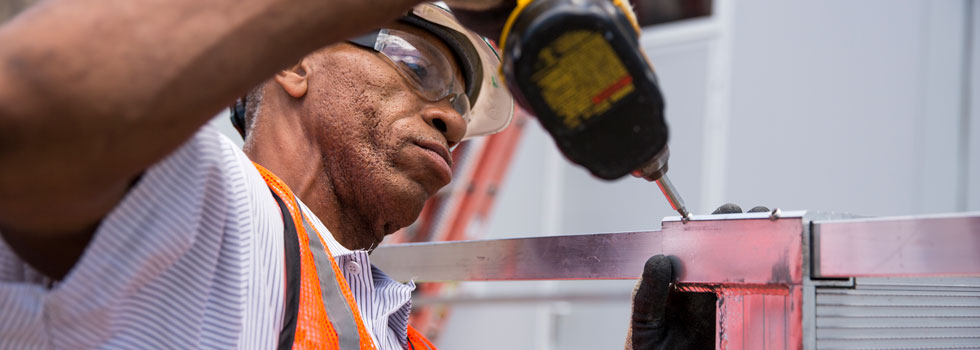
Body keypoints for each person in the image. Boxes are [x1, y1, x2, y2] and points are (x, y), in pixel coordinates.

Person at [0, 0, 710, 349]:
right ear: (295, 59)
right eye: (418, 64)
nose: (454, 120)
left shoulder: (397, 332)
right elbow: (22, 106)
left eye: (462, 99)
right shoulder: (212, 211)